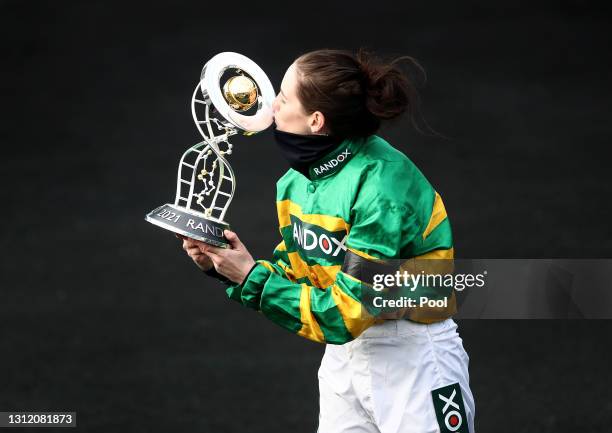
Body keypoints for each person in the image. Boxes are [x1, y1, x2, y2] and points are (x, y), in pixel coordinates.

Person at [179, 49, 475, 433]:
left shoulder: (383, 188)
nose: (272, 104)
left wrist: (251, 278)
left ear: (315, 121)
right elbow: (305, 276)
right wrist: (228, 266)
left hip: (413, 357)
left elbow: (348, 311)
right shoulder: (295, 183)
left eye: (283, 97)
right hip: (345, 359)